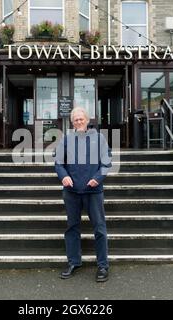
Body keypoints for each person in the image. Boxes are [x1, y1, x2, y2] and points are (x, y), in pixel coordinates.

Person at [54, 107, 112, 282]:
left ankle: (103, 265)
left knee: (100, 229)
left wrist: (98, 178)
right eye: (75, 120)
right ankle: (74, 262)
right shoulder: (66, 140)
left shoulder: (99, 138)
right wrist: (63, 176)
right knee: (72, 228)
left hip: (93, 191)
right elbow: (58, 163)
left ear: (87, 120)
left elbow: (107, 162)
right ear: (72, 123)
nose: (78, 122)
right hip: (72, 192)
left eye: (81, 119)